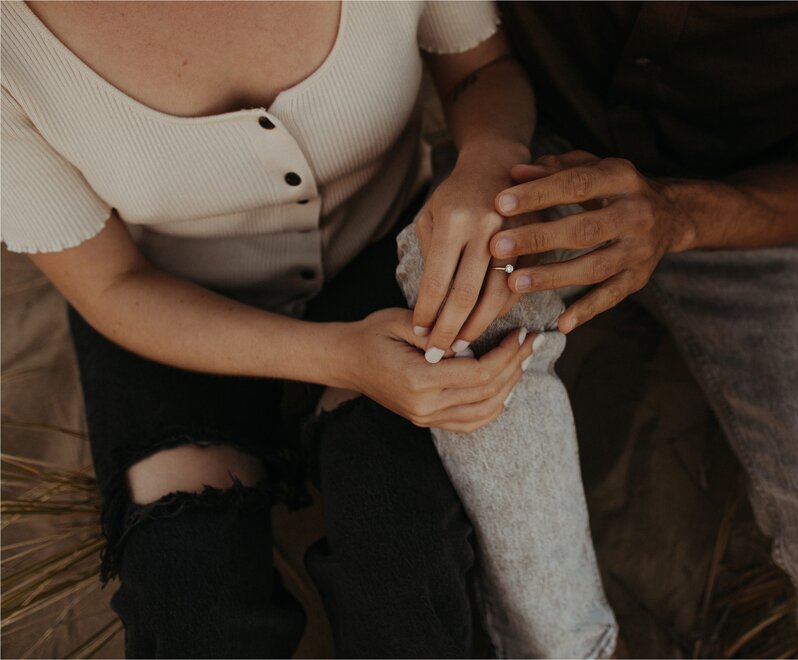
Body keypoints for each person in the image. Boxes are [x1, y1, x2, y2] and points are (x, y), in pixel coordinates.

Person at [1, 1, 617, 657]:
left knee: (400, 548)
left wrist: (488, 157)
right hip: (171, 311)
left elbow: (479, 71)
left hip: (383, 259)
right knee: (189, 591)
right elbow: (110, 285)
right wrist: (342, 359)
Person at [459, 2, 798, 658]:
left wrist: (677, 216)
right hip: (527, 155)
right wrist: (482, 153)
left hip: (731, 205)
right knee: (475, 341)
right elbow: (456, 48)